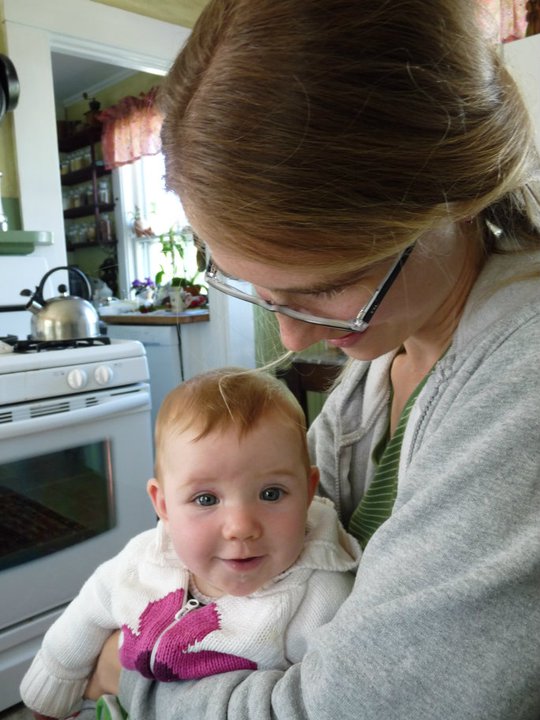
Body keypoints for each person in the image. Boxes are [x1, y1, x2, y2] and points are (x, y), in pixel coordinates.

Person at [85, 0, 540, 718]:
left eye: (325, 289)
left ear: (450, 199)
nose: (294, 340)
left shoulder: (521, 379)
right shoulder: (392, 349)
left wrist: (128, 672)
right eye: (262, 293)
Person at [19, 368, 360, 719]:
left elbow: (326, 700)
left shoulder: (322, 599)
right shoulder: (143, 561)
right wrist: (49, 698)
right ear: (164, 505)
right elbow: (83, 619)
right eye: (206, 499)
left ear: (307, 492)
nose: (241, 528)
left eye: (271, 494)